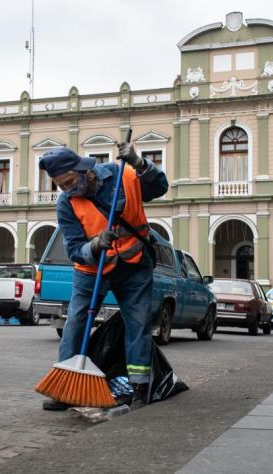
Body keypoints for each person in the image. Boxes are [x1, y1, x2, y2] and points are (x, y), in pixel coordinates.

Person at [38, 142, 168, 411]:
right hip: (92, 270)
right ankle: (64, 388)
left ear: (85, 171)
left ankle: (139, 388)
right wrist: (95, 245)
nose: (67, 189)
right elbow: (74, 249)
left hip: (134, 265)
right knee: (75, 322)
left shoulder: (124, 175)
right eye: (61, 186)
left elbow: (160, 187)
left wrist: (139, 164)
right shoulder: (66, 204)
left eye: (70, 182)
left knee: (138, 324)